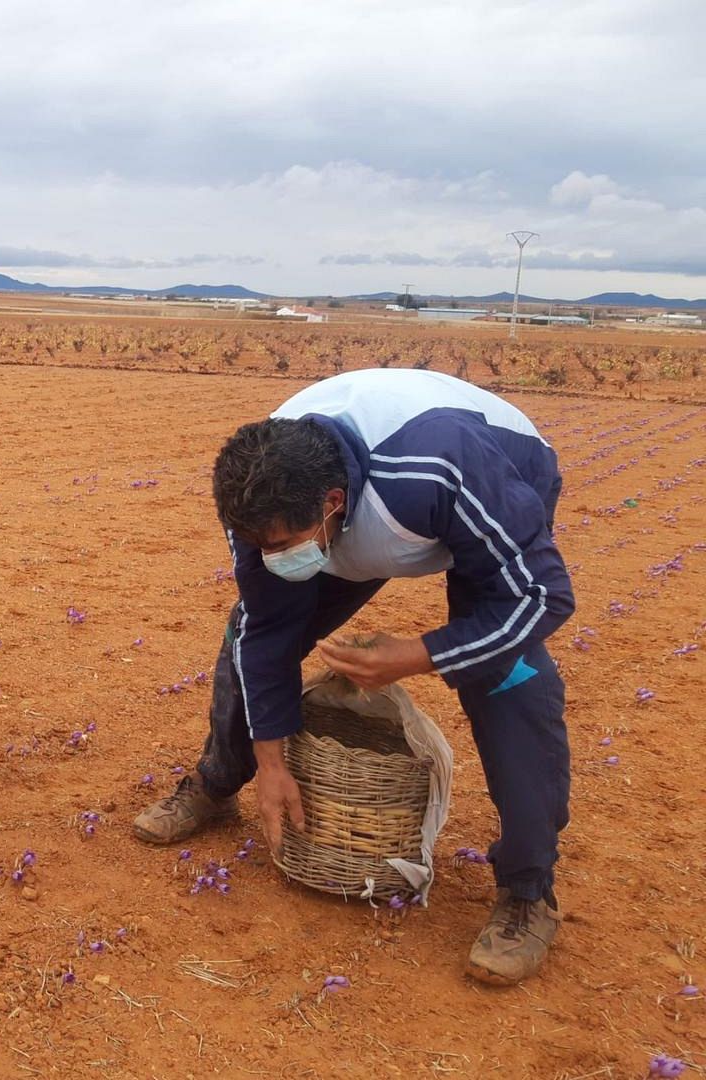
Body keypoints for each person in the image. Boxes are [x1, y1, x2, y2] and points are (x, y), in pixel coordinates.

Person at [132, 368, 574, 986]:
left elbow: (541, 599)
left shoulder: (437, 471)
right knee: (250, 635)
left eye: (281, 541)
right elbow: (267, 639)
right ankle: (216, 782)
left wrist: (422, 654)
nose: (267, 553)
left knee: (502, 674)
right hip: (356, 523)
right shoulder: (261, 510)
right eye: (253, 541)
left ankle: (529, 890)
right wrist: (273, 763)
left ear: (331, 505)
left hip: (495, 485)